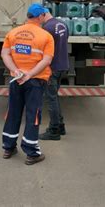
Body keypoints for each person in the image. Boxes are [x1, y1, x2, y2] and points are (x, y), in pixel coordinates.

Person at [1, 3, 54, 165]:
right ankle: (32, 152)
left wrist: (16, 72)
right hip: (35, 81)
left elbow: (5, 54)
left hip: (16, 80)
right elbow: (47, 60)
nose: (44, 18)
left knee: (13, 112)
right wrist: (30, 74)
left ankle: (8, 147)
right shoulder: (46, 36)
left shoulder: (13, 33)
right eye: (44, 15)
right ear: (40, 17)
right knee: (33, 115)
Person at [39, 11, 69, 141]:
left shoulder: (47, 28)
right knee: (54, 97)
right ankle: (60, 126)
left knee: (51, 99)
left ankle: (54, 130)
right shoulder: (63, 24)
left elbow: (43, 49)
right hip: (63, 66)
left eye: (39, 18)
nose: (39, 21)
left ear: (43, 15)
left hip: (52, 68)